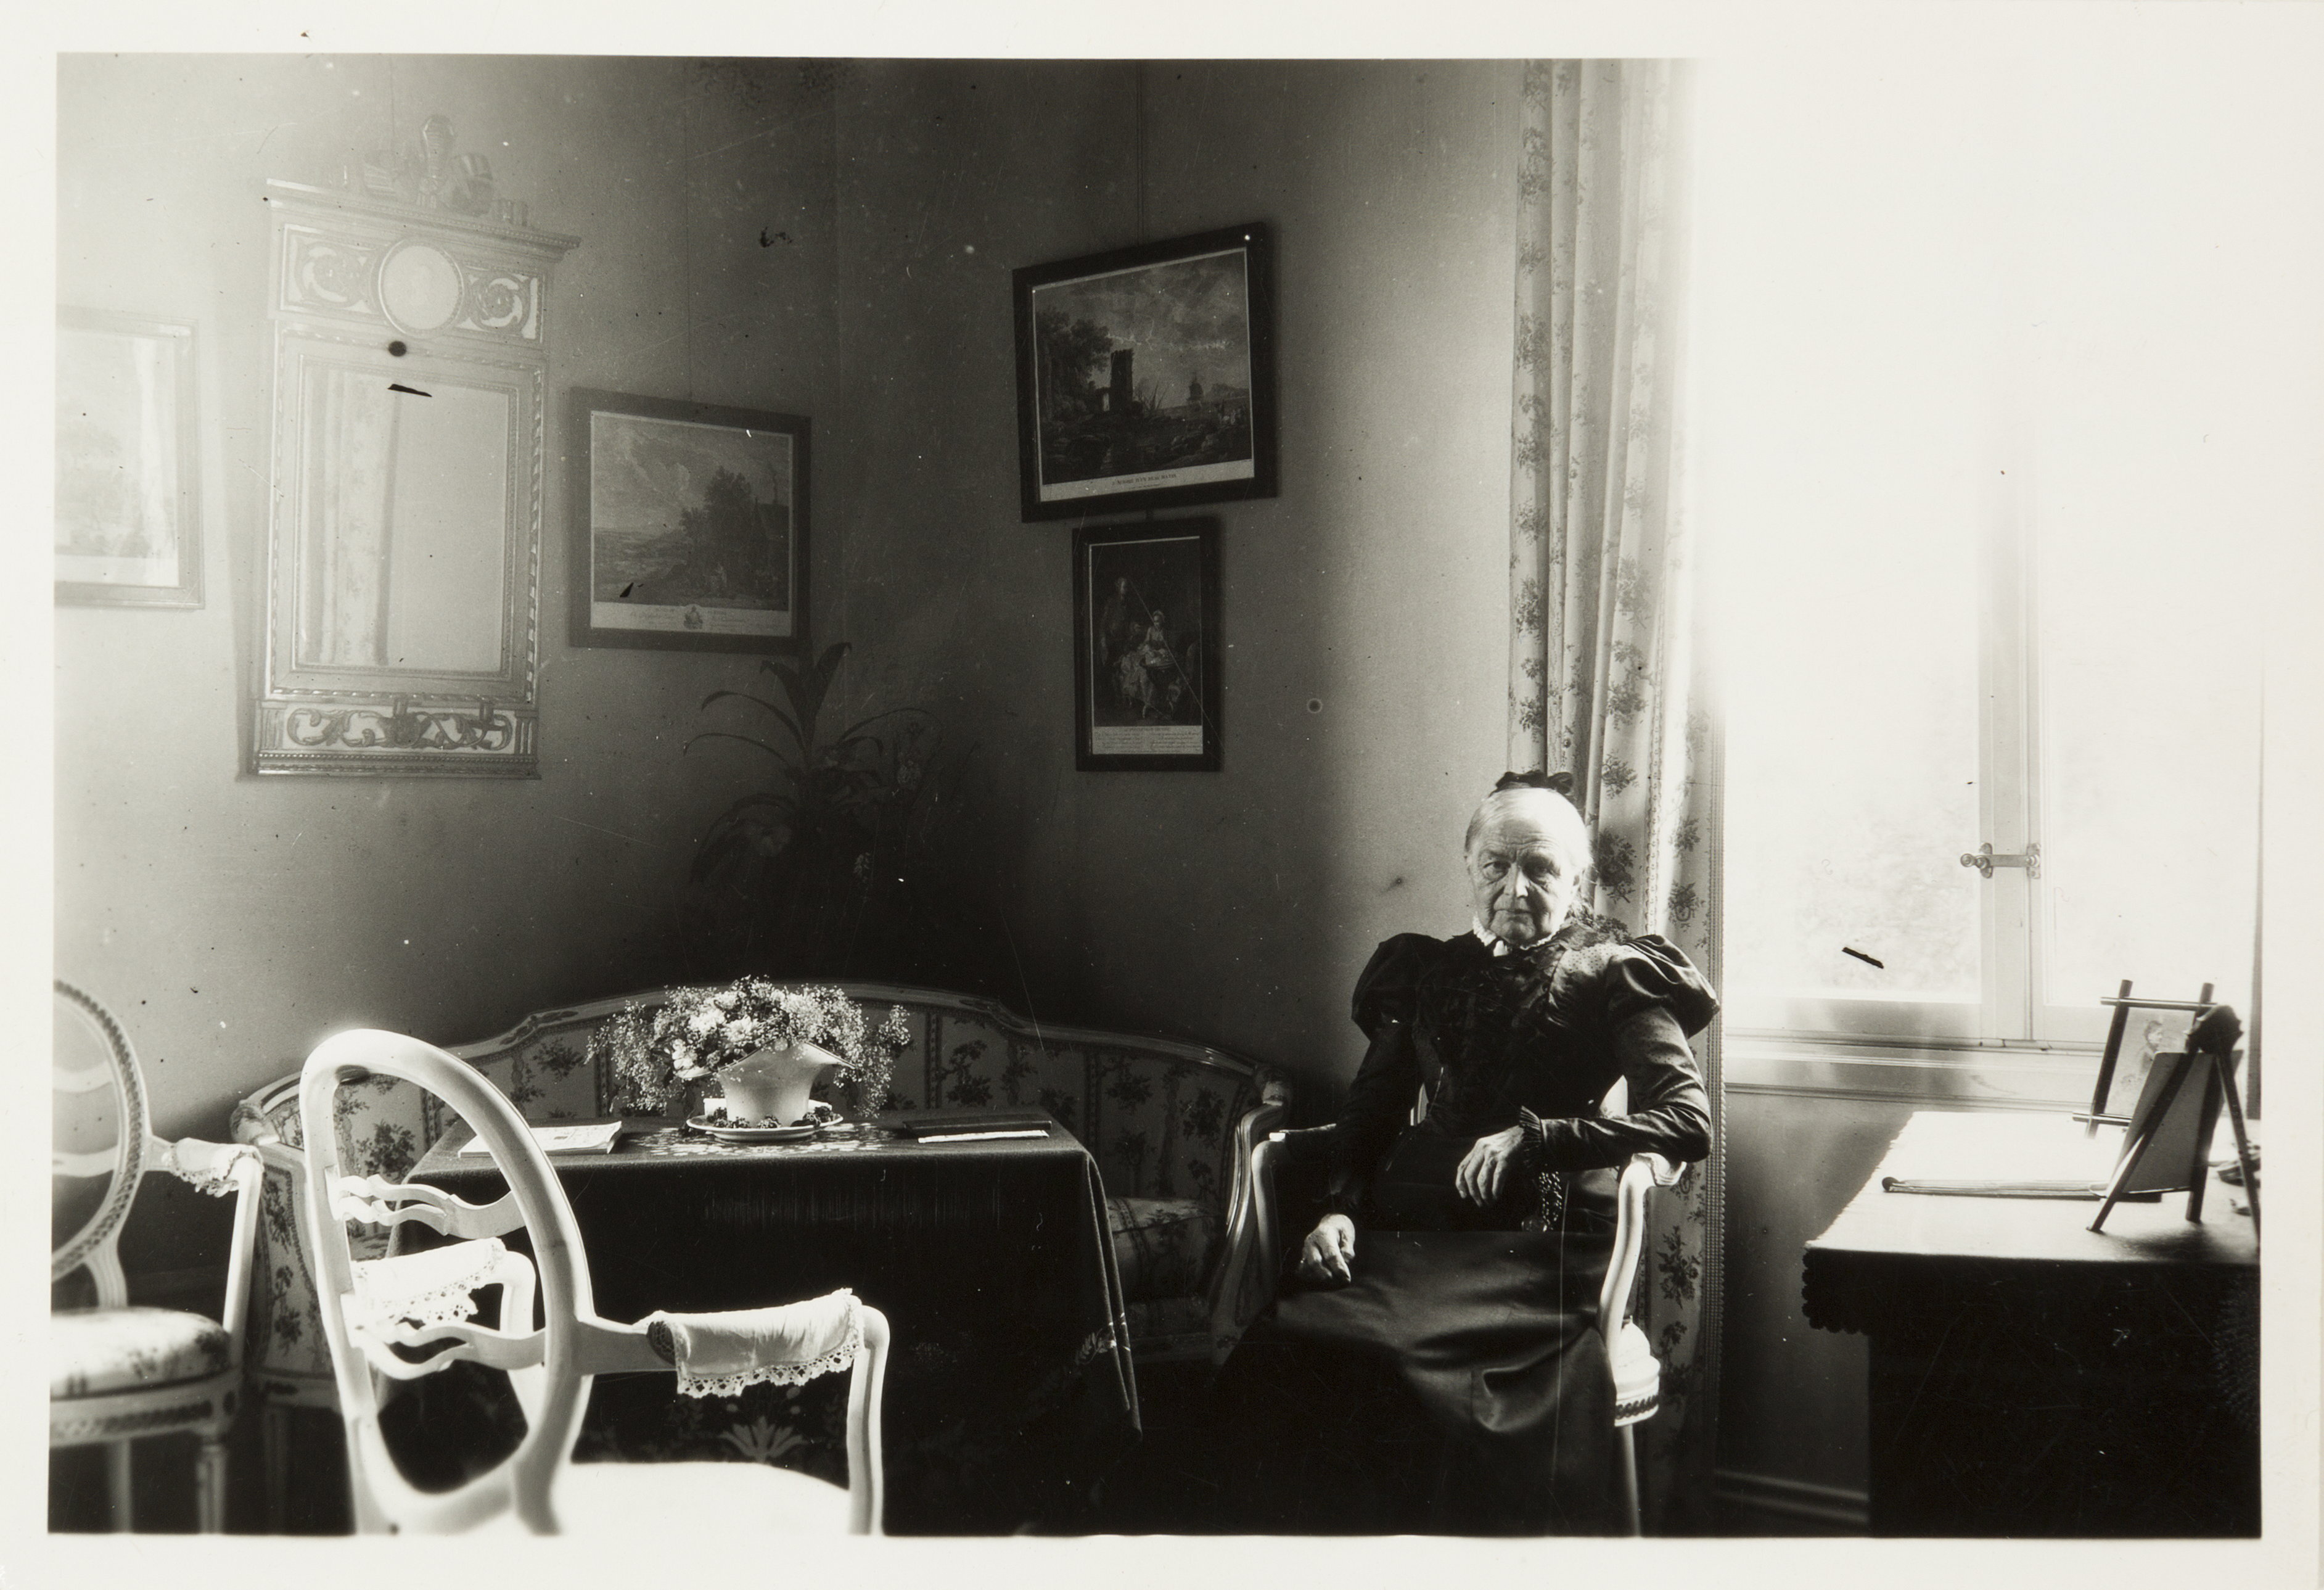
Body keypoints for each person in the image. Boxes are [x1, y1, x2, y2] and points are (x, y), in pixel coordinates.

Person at [1210, 770, 1715, 1534]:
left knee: (1418, 1367)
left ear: (1576, 879)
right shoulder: (1423, 969)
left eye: (1541, 868)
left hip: (1539, 1243)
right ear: (1469, 868)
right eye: (1495, 865)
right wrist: (1339, 1210)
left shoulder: (1614, 971)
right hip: (1408, 1236)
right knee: (1295, 1341)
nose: (1515, 888)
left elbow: (1685, 1120)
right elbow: (1370, 1114)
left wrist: (1540, 1138)